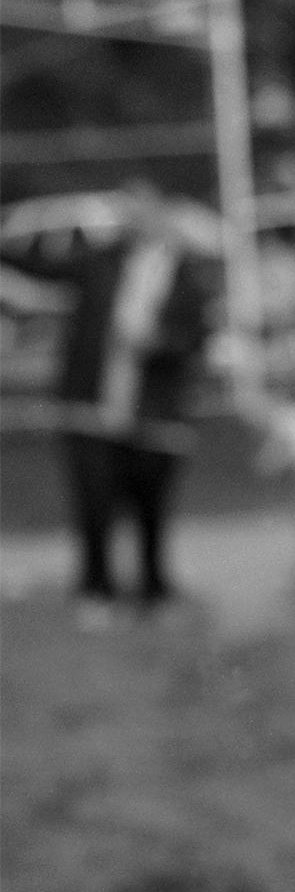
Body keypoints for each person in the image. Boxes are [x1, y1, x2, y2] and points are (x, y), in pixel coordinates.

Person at [41, 190, 216, 623]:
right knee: (96, 503)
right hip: (92, 409)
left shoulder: (186, 277)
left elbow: (195, 341)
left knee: (150, 506)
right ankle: (97, 590)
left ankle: (154, 590)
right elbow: (40, 268)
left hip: (156, 414)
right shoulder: (100, 263)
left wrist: (156, 342)